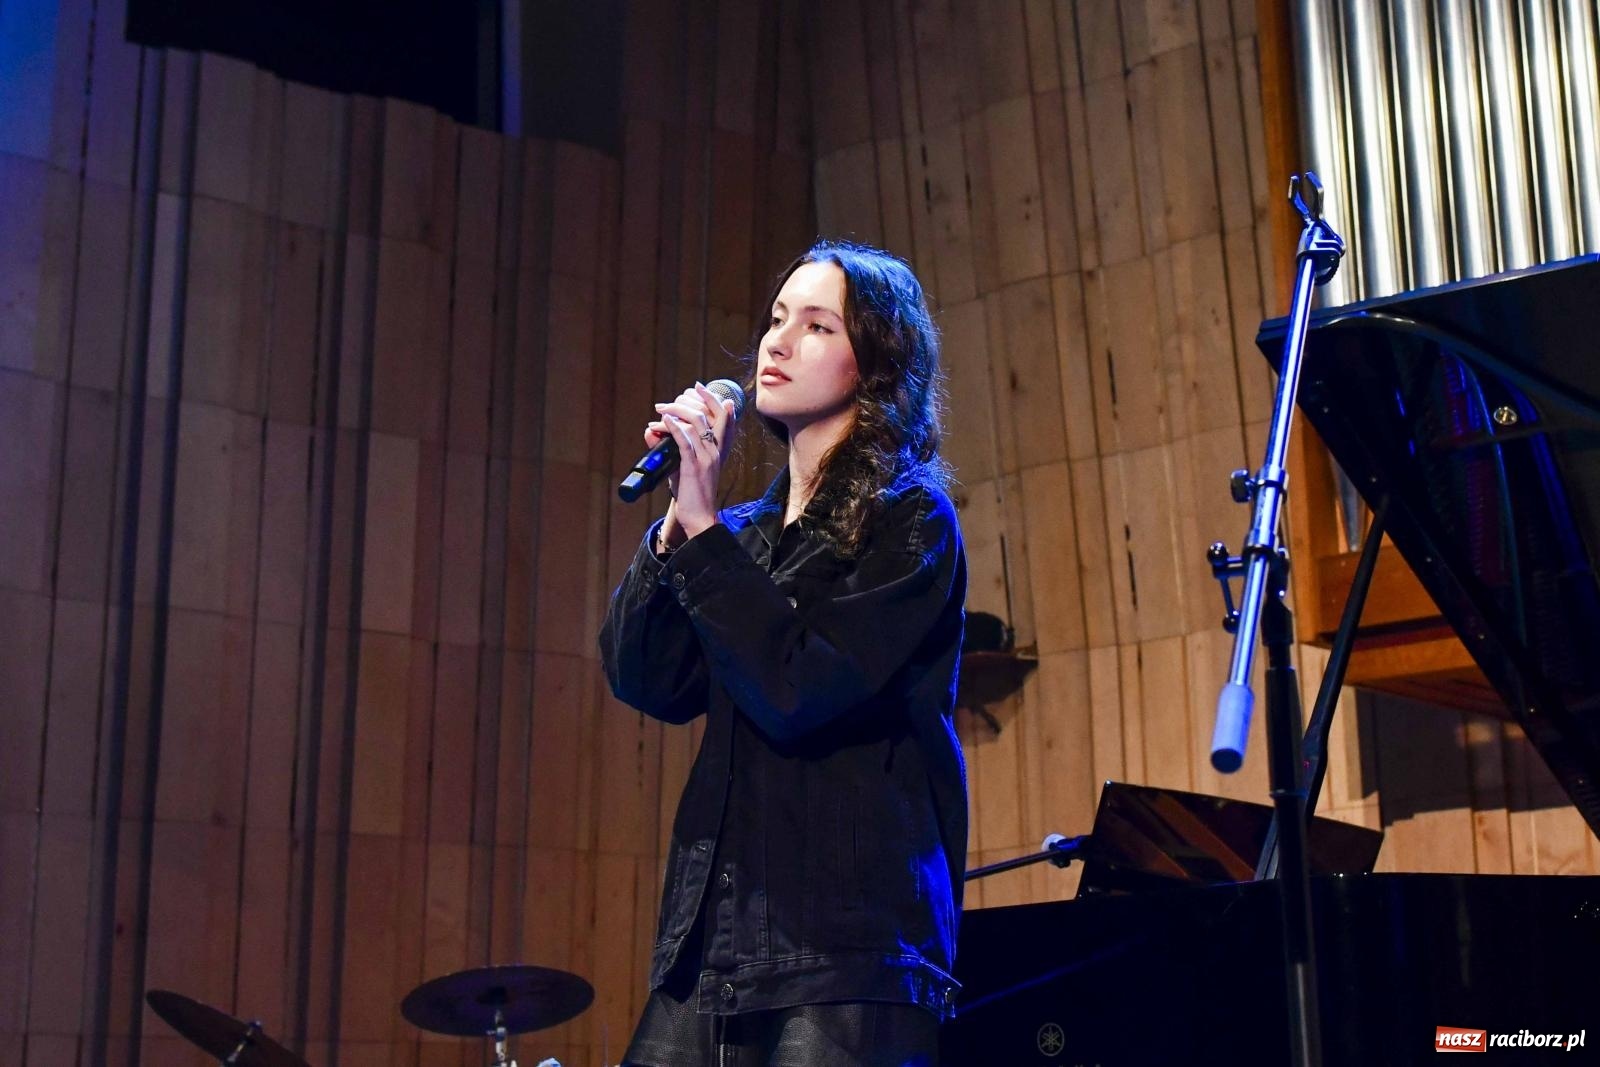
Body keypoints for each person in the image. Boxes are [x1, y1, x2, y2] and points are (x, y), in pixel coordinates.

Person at [600, 239, 968, 1067]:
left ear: (877, 360)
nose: (776, 341)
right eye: (775, 319)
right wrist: (676, 527)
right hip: (712, 945)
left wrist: (701, 531)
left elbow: (798, 688)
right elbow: (643, 673)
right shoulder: (738, 537)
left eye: (816, 324)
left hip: (846, 953)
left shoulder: (911, 523)